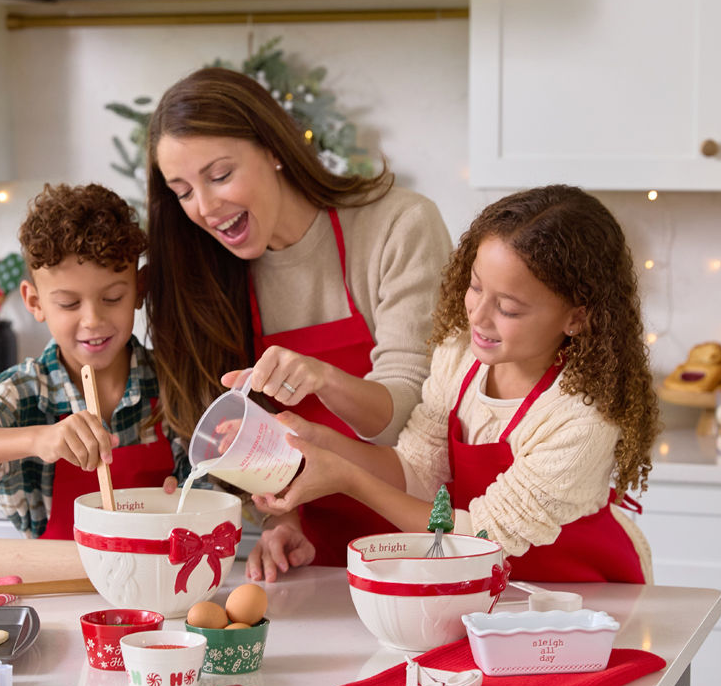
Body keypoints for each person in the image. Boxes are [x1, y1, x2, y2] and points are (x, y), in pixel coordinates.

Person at [252, 185, 659, 583]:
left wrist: (347, 477)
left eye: (508, 308)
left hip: (579, 591)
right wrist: (318, 442)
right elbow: (418, 471)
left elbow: (481, 538)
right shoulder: (461, 355)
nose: (478, 317)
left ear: (576, 317)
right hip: (488, 584)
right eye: (476, 286)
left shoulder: (582, 417)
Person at [143, 66, 454, 576]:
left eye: (220, 175)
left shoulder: (397, 226)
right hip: (320, 563)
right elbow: (262, 446)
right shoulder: (206, 277)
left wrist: (325, 378)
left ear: (274, 149)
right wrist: (284, 523)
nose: (204, 207)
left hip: (428, 544)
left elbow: (407, 411)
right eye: (182, 191)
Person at [0, 183, 190, 539]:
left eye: (113, 297)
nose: (93, 319)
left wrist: (191, 496)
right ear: (34, 302)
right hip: (59, 587)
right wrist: (37, 439)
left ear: (139, 289)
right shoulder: (22, 392)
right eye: (68, 304)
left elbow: (214, 480)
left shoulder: (173, 382)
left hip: (158, 580)